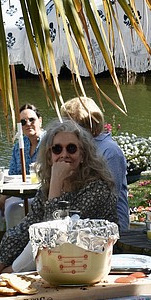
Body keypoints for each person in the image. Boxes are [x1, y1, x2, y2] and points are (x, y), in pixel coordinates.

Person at [0, 120, 117, 275]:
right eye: (57, 149)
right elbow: (23, 230)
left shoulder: (96, 189)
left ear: (82, 156)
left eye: (71, 148)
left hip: (88, 262)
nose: (64, 155)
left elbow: (55, 232)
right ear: (49, 156)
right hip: (57, 260)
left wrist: (56, 181)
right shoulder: (46, 189)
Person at [60, 96, 129, 231]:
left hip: (110, 225)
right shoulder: (76, 147)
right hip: (80, 217)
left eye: (67, 122)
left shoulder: (109, 151)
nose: (64, 127)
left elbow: (109, 196)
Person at [0, 104, 45, 262]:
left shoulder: (50, 143)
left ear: (40, 120)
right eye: (23, 122)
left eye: (31, 120)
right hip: (19, 193)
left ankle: (14, 253)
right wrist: (0, 200)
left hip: (41, 195)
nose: (28, 124)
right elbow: (12, 176)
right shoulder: (19, 145)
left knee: (12, 209)